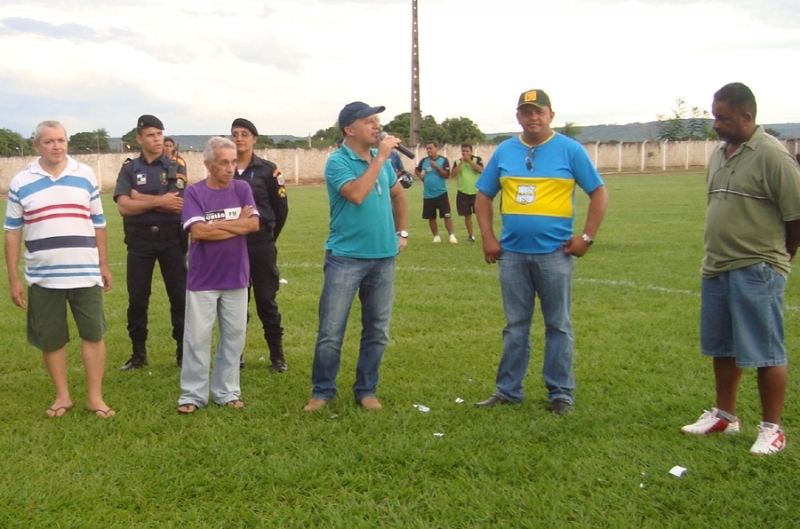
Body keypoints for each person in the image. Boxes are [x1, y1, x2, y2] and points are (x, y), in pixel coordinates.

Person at [681, 82, 800, 455]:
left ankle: (771, 429)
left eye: (723, 118)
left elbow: (796, 215)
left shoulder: (773, 156)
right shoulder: (720, 153)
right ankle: (725, 416)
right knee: (723, 346)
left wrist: (780, 257)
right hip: (717, 265)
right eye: (715, 116)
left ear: (747, 117)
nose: (716, 124)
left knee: (765, 350)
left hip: (757, 266)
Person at [473, 89, 608, 414]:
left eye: (539, 111)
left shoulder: (570, 150)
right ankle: (508, 390)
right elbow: (483, 196)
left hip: (555, 255)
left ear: (551, 114)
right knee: (515, 325)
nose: (533, 117)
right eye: (527, 111)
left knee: (558, 325)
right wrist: (489, 238)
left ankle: (560, 393)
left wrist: (586, 238)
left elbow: (599, 193)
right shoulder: (505, 150)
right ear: (518, 116)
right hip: (512, 255)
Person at [4, 121, 115, 418]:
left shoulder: (85, 175)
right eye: (50, 141)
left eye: (62, 140)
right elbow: (13, 231)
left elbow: (99, 223)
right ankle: (62, 396)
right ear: (36, 145)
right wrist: (13, 277)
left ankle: (95, 398)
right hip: (43, 276)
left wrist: (103, 264)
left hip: (85, 273)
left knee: (93, 335)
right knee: (51, 339)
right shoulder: (20, 182)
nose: (57, 146)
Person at [303, 101, 408, 412]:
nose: (376, 126)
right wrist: (382, 158)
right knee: (331, 332)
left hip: (383, 257)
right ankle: (322, 391)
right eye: (368, 121)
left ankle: (366, 389)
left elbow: (398, 194)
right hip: (345, 258)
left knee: (377, 330)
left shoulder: (381, 159)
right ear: (349, 129)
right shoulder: (338, 162)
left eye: (377, 120)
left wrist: (402, 233)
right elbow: (357, 194)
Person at [177, 137, 260, 414]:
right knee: (197, 338)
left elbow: (254, 225)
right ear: (208, 164)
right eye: (223, 162)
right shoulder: (194, 193)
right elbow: (198, 232)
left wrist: (217, 224)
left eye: (233, 162)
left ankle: (227, 391)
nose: (230, 168)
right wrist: (238, 223)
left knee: (234, 337)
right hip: (203, 279)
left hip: (236, 276)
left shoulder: (242, 188)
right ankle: (193, 394)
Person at [114, 115, 188, 370]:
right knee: (137, 299)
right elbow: (124, 207)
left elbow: (176, 203)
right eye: (150, 135)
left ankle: (182, 353)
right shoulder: (129, 168)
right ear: (139, 139)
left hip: (171, 240)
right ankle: (138, 355)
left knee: (179, 298)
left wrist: (138, 197)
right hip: (139, 242)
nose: (156, 139)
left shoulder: (176, 166)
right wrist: (157, 201)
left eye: (159, 134)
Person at [230, 118, 289, 372]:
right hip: (231, 243)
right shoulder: (224, 169)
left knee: (266, 299)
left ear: (254, 138)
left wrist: (269, 237)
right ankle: (235, 355)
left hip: (260, 242)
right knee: (235, 301)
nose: (239, 138)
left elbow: (281, 209)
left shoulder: (267, 170)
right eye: (235, 134)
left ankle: (277, 355)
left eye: (245, 134)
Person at [415, 141, 456, 243]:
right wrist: (422, 178)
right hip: (428, 195)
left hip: (441, 193)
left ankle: (451, 236)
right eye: (427, 148)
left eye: (430, 148)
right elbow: (417, 170)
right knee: (431, 217)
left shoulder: (443, 160)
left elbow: (446, 175)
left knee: (447, 215)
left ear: (436, 148)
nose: (428, 150)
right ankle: (436, 236)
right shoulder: (424, 161)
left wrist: (436, 167)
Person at [450, 143, 484, 242]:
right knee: (467, 215)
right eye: (463, 151)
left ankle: (484, 234)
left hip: (476, 192)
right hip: (463, 192)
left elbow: (481, 170)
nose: (465, 153)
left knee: (480, 215)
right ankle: (471, 235)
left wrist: (469, 162)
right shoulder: (457, 162)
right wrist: (461, 163)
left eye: (467, 151)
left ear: (471, 151)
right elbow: (453, 174)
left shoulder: (477, 160)